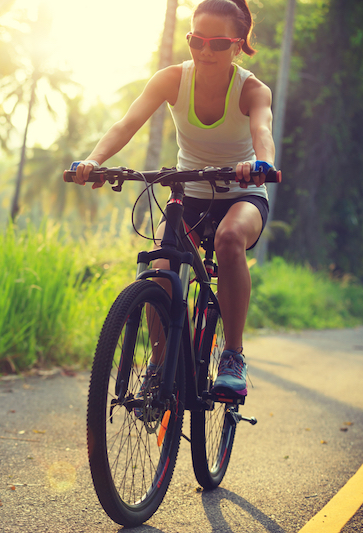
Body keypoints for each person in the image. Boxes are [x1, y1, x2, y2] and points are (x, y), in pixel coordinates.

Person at [70, 0, 275, 397]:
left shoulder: (252, 89)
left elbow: (261, 130)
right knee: (160, 265)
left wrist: (262, 163)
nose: (204, 51)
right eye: (196, 40)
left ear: (237, 46)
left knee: (229, 239)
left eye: (217, 44)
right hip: (192, 192)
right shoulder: (171, 79)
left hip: (243, 193)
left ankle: (233, 355)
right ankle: (160, 367)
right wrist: (94, 162)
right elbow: (127, 123)